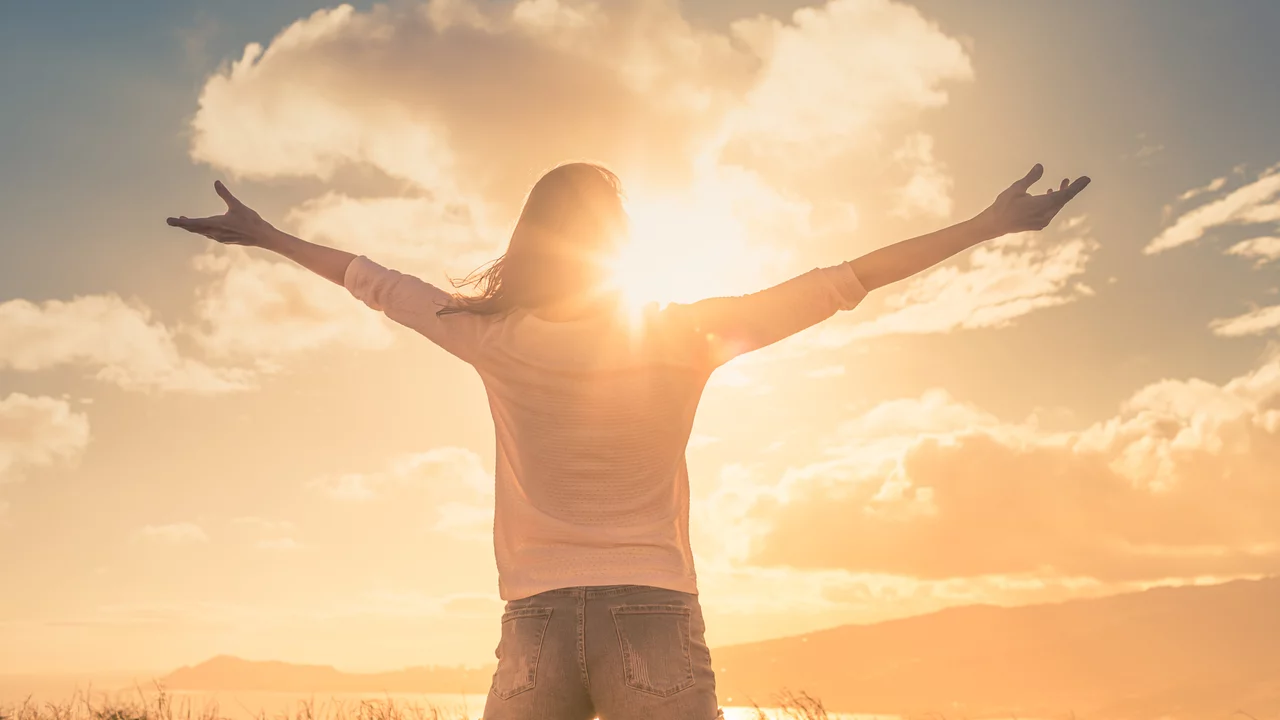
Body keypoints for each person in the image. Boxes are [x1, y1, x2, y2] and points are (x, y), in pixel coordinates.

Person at [167, 161, 1089, 720]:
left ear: (530, 239)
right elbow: (845, 279)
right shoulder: (683, 337)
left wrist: (267, 236)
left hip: (533, 623)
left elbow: (371, 278)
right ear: (619, 244)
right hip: (654, 616)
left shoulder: (488, 334)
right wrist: (987, 225)